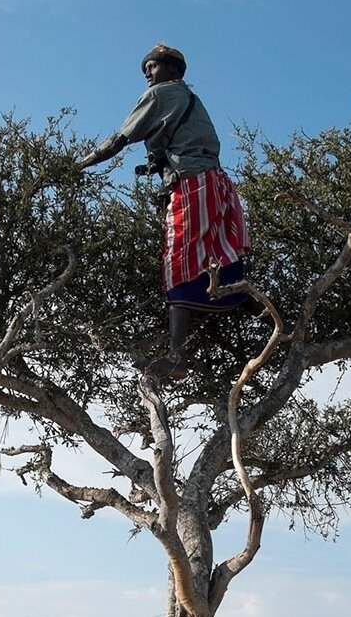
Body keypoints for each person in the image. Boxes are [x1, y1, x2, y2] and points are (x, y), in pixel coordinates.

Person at [76, 43, 249, 381]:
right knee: (224, 259)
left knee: (179, 261)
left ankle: (177, 359)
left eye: (152, 68)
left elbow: (118, 140)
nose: (147, 76)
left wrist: (77, 166)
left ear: (172, 69)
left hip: (193, 185)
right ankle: (279, 325)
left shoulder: (161, 95)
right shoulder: (191, 99)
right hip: (217, 183)